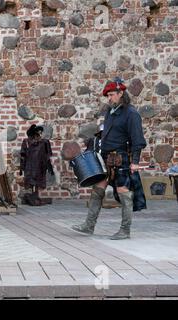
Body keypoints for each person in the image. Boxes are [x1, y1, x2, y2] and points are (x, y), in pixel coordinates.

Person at [72, 77, 147, 240]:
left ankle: (125, 230)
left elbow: (137, 140)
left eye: (112, 95)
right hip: (105, 158)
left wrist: (135, 162)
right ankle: (88, 225)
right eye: (108, 96)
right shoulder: (110, 112)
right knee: (98, 189)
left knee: (124, 192)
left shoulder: (132, 114)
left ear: (121, 93)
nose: (109, 98)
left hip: (121, 159)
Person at [19, 124, 54, 206]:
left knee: (37, 181)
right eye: (38, 133)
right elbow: (22, 156)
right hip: (30, 166)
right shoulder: (26, 142)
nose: (40, 135)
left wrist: (49, 167)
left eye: (41, 133)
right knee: (31, 181)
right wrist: (22, 168)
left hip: (40, 166)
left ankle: (35, 196)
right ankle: (31, 197)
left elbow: (47, 156)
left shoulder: (44, 143)